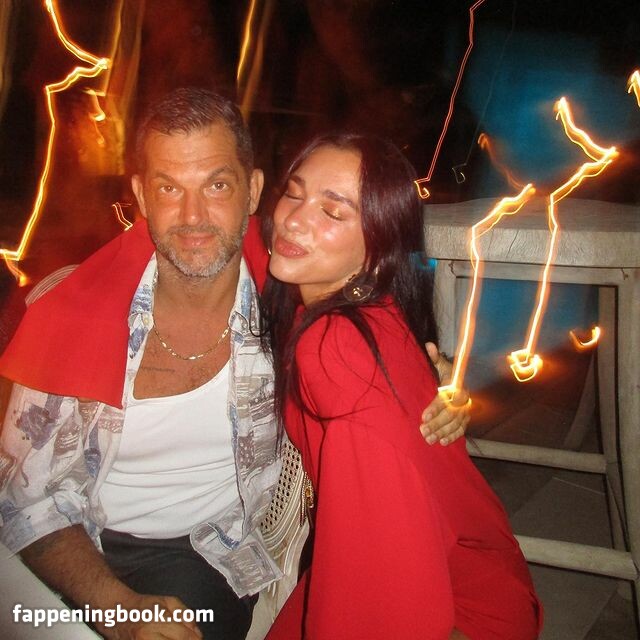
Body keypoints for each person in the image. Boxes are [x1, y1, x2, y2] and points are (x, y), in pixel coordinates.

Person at [0, 88, 468, 640]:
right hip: (68, 543)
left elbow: (373, 312)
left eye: (217, 185)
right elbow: (28, 501)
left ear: (253, 191)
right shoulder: (73, 318)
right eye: (169, 188)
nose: (193, 217)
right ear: (141, 197)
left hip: (202, 554)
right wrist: (119, 610)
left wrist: (440, 389)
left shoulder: (291, 298)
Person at [261, 132, 542, 639]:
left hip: (450, 606)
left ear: (378, 246)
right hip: (478, 577)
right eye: (294, 193)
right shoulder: (360, 310)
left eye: (333, 212)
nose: (294, 220)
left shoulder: (334, 348)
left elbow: (382, 577)